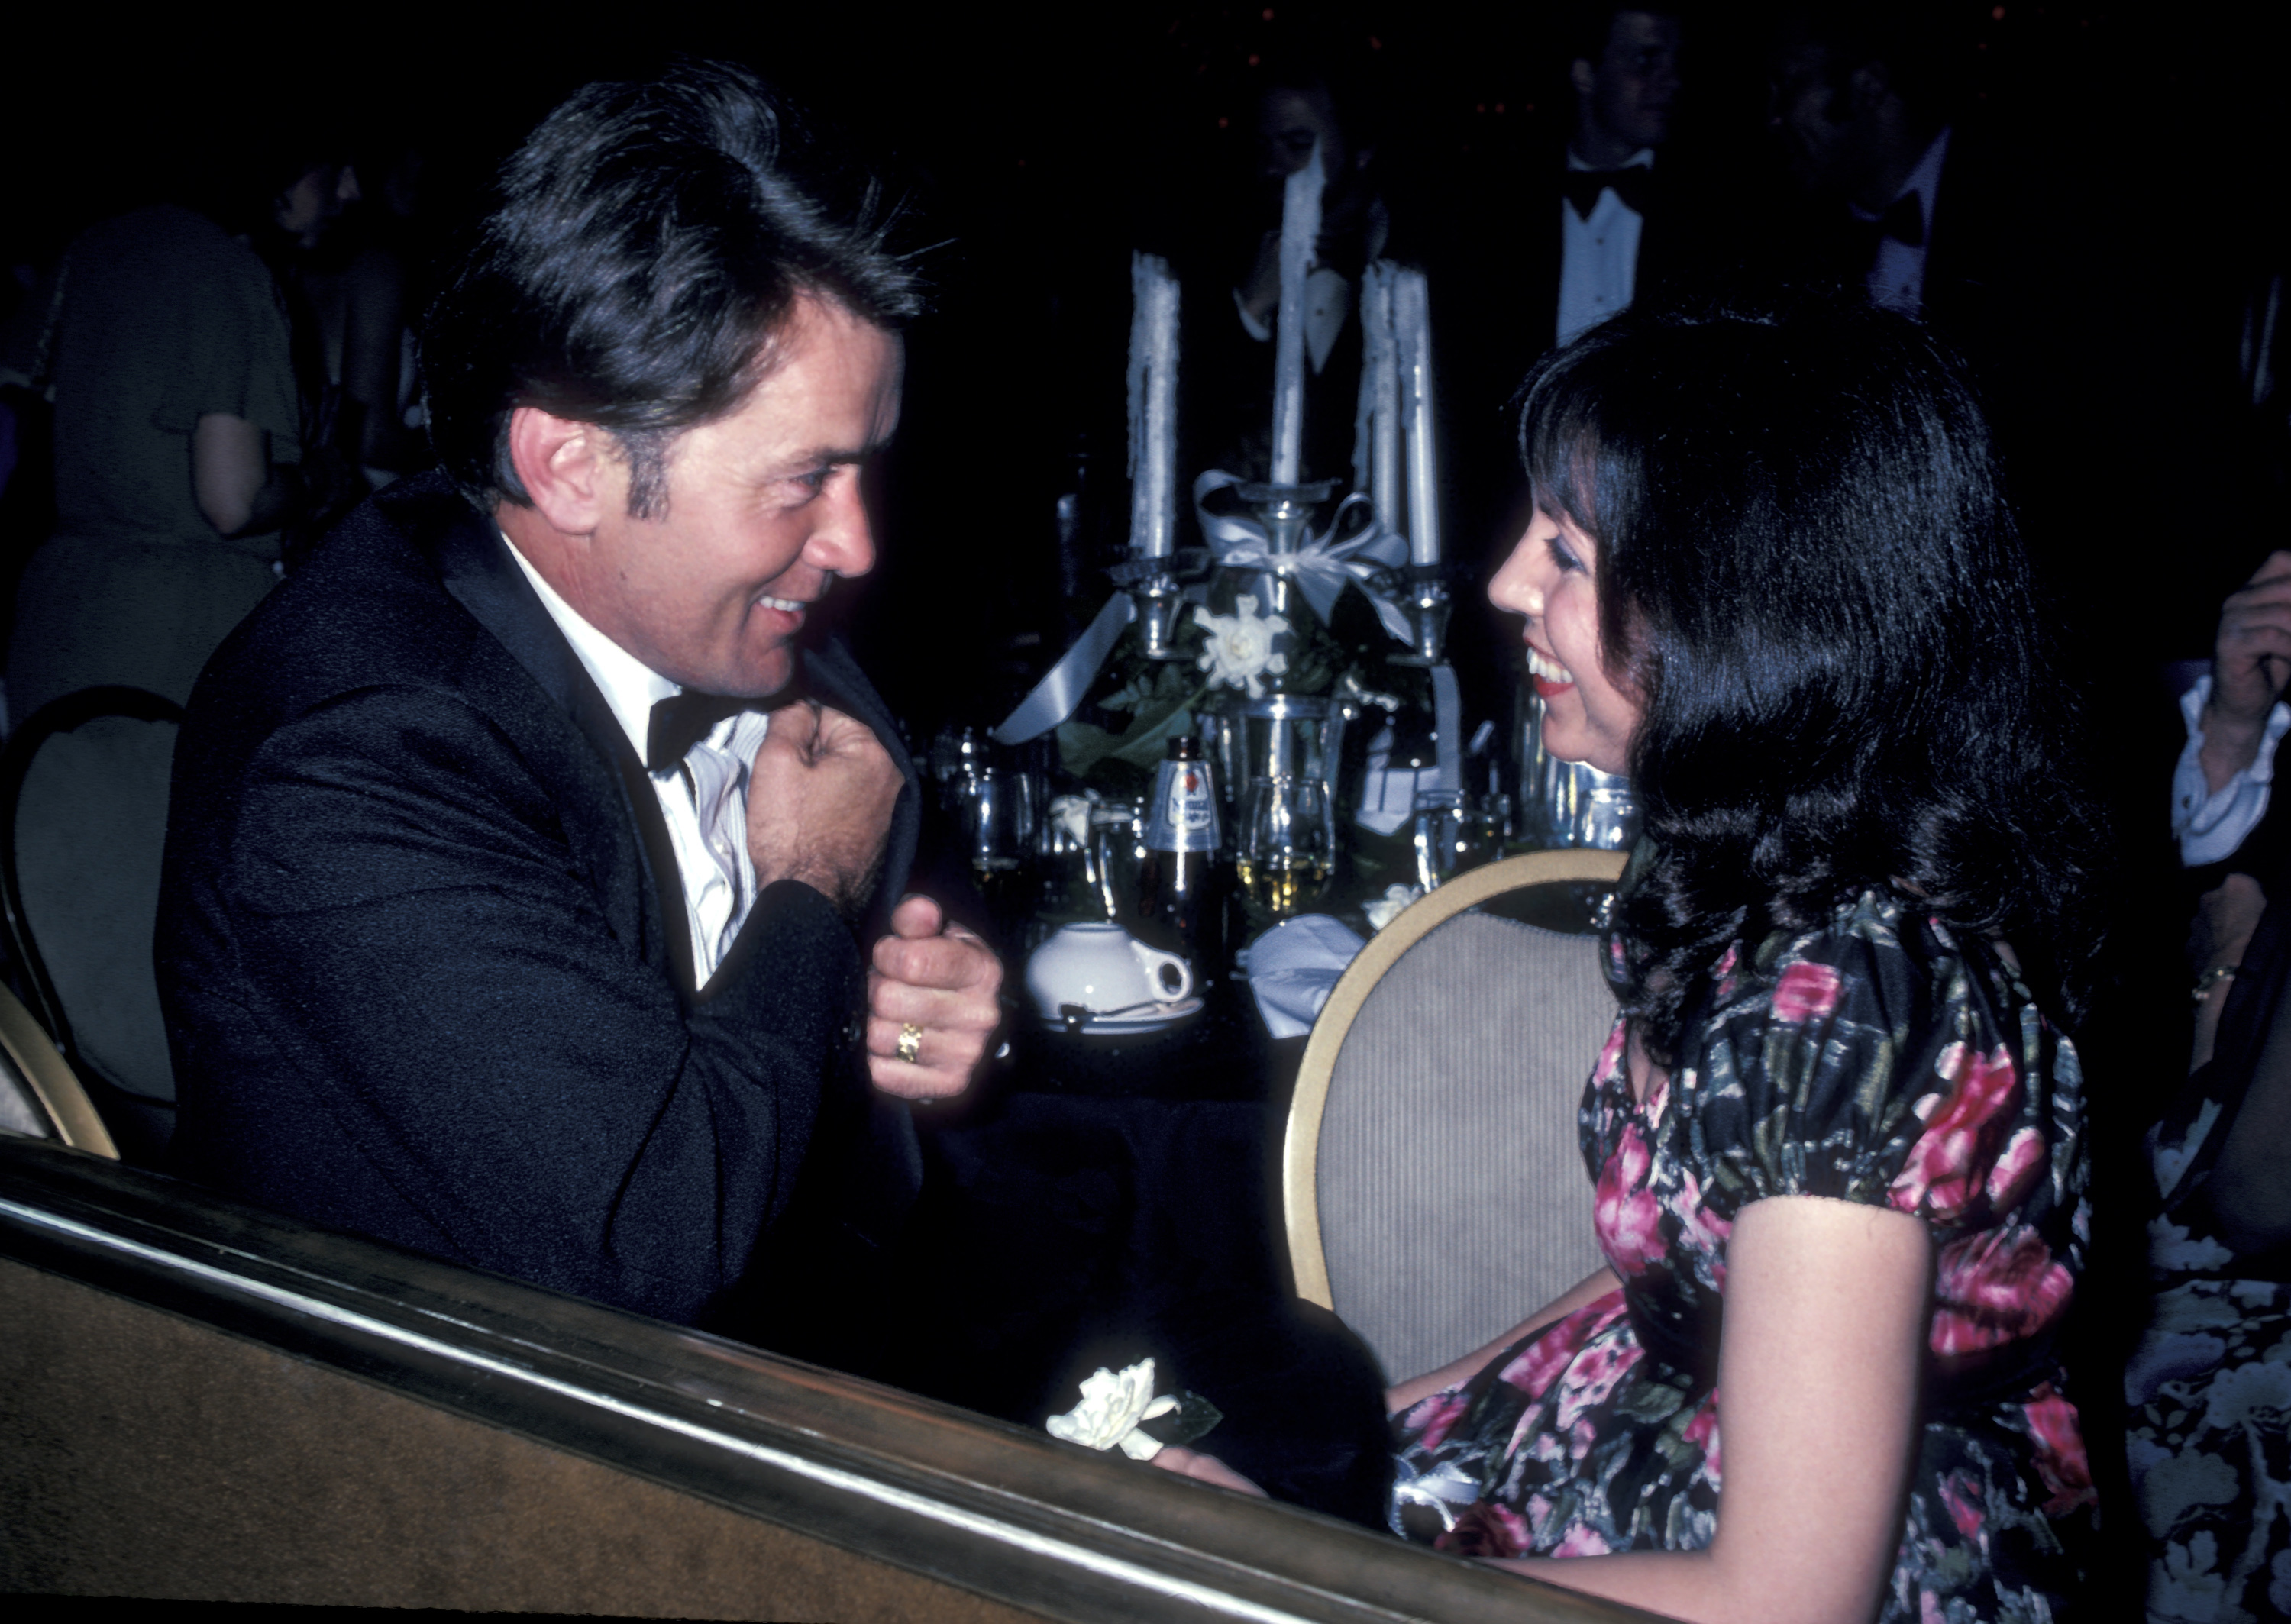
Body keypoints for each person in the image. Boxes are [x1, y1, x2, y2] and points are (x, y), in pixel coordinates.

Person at [1158, 297, 2107, 1622]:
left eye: (1565, 553)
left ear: (1739, 606)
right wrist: (1380, 1424)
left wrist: (1313, 1568)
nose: (1503, 586)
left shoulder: (1851, 1000)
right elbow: (1688, 1258)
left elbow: (1788, 1600)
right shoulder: (1753, 869)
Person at [157, 62, 1003, 1337]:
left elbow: (836, 1063)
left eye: (866, 467)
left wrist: (910, 1015)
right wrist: (812, 891)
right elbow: (653, 1234)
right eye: (804, 480)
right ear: (572, 465)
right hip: (463, 1454)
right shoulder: (354, 751)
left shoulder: (747, 624)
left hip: (824, 1334)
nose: (859, 543)